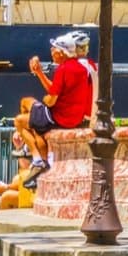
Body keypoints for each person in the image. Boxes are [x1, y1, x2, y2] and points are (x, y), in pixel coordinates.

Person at [21, 32, 94, 176]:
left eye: (54, 49)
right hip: (80, 114)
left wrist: (47, 99)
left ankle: (39, 157)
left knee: (20, 120)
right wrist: (40, 73)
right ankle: (35, 148)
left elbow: (52, 98)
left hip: (63, 116)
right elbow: (57, 90)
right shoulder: (86, 66)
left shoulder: (66, 68)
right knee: (26, 103)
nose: (51, 51)